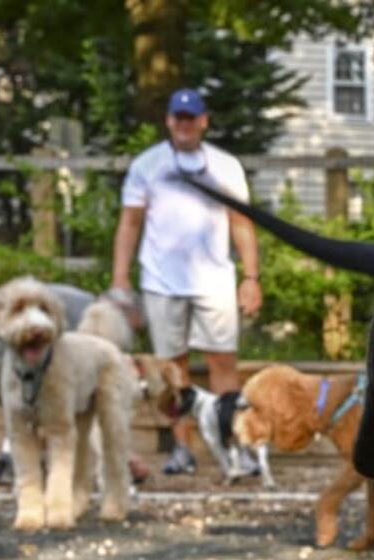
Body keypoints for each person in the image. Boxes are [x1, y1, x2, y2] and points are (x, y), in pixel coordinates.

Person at [111, 87, 263, 474]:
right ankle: (183, 448)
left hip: (214, 278)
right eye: (178, 118)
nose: (184, 125)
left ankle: (235, 443)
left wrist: (251, 277)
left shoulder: (226, 166)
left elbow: (241, 223)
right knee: (171, 368)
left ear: (203, 122)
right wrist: (119, 279)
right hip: (161, 281)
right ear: (168, 121)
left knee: (222, 360)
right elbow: (130, 223)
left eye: (191, 118)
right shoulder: (148, 165)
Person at [0, 283, 148, 486]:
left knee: (24, 407)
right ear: (121, 311)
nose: (129, 333)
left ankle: (14, 462)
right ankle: (20, 465)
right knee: (39, 409)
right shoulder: (86, 315)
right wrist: (125, 455)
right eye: (132, 326)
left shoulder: (72, 300)